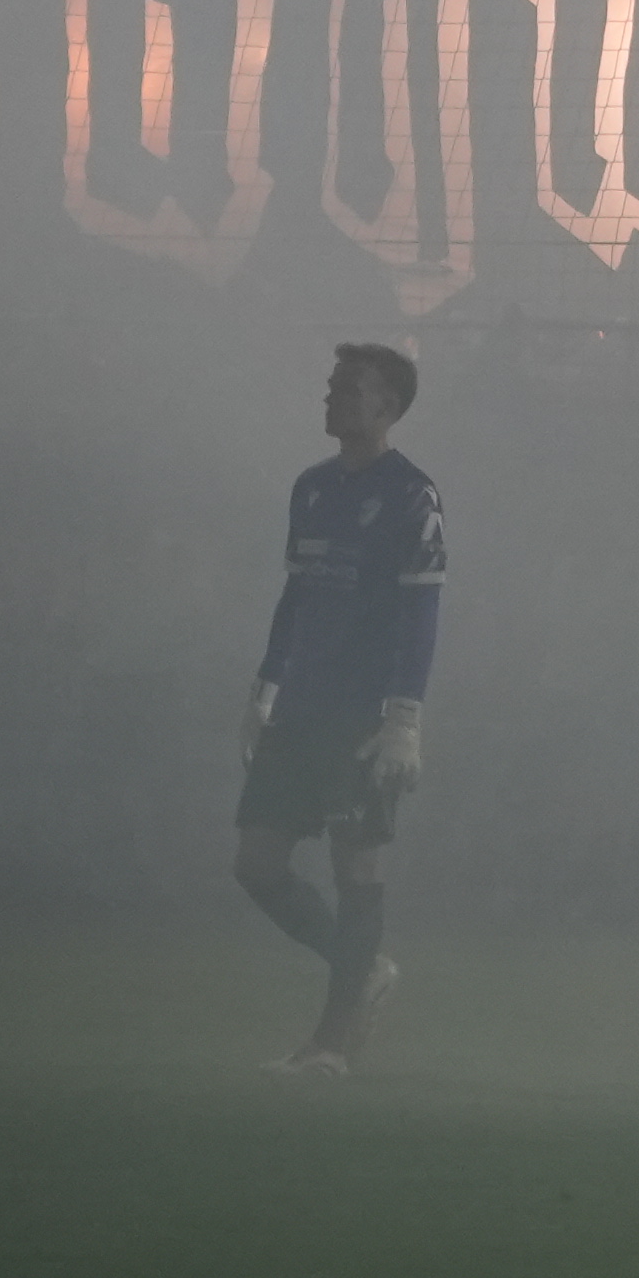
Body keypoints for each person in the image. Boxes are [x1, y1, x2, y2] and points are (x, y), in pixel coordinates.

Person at [232, 341, 444, 1077]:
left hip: (361, 715)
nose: (330, 399)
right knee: (256, 865)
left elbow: (421, 614)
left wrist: (403, 718)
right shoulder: (312, 487)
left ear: (386, 406)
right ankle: (365, 968)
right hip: (301, 707)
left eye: (346, 388)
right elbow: (296, 595)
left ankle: (330, 1044)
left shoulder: (413, 496)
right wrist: (264, 688)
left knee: (358, 870)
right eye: (330, 387)